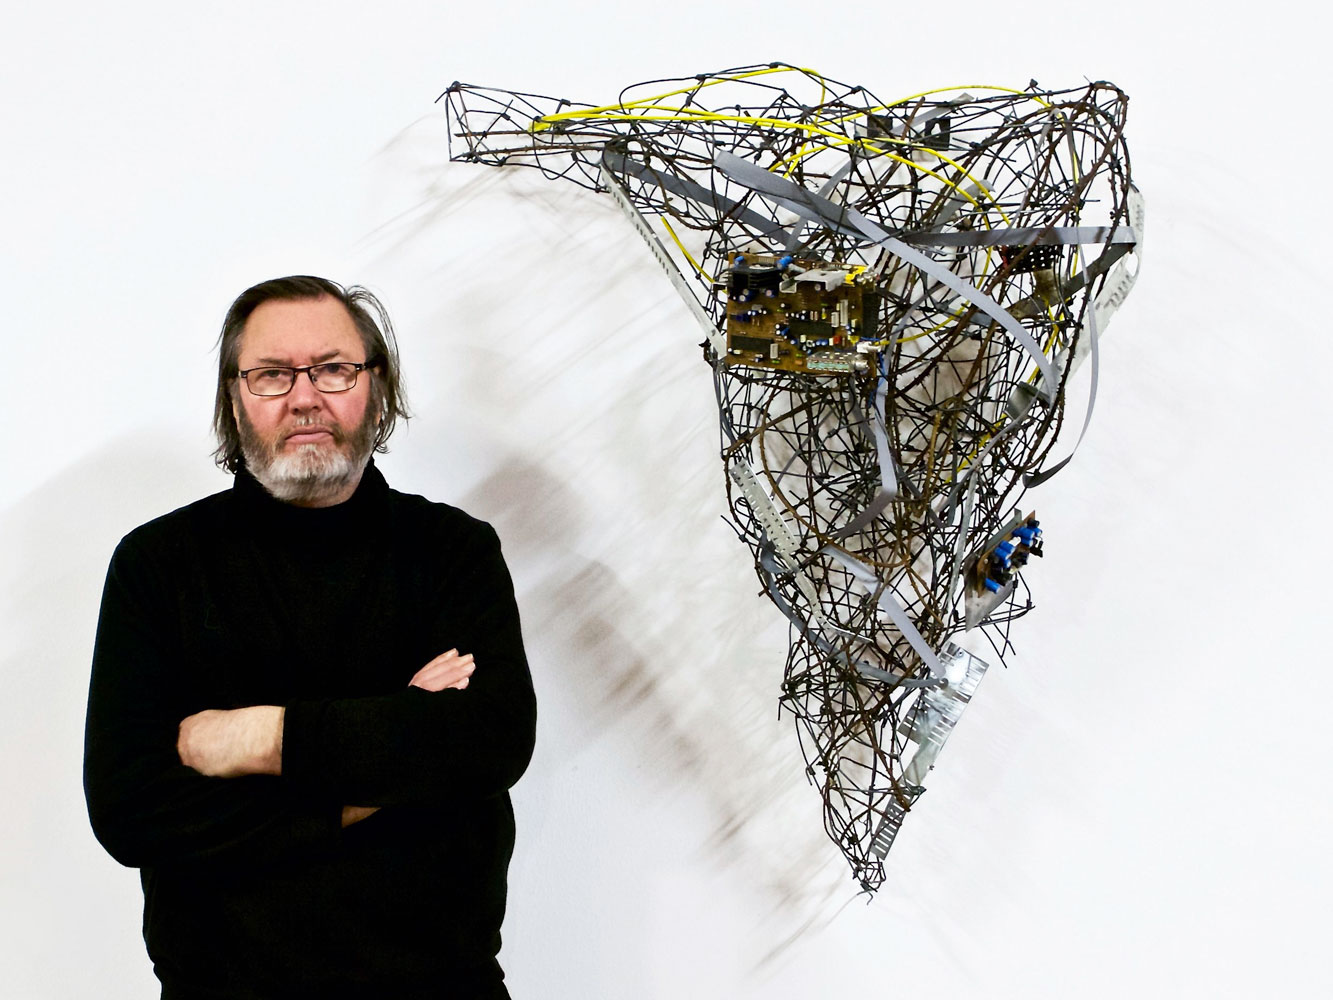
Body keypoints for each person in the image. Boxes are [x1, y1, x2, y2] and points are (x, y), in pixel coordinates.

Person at [83, 276, 537, 999]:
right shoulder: (158, 565)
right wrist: (391, 755)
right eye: (271, 374)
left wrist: (258, 738)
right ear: (235, 397)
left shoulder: (453, 550)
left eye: (333, 369)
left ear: (376, 388)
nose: (304, 398)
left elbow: (488, 740)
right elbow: (132, 812)